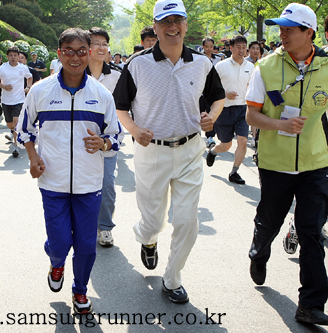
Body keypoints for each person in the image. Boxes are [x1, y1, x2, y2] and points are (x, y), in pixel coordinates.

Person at [113, 0, 225, 304]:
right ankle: (147, 239)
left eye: (177, 20)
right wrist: (135, 131)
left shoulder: (202, 63)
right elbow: (121, 107)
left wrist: (212, 116)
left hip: (190, 150)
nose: (172, 27)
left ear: (186, 25)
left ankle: (172, 278)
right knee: (153, 221)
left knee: (188, 221)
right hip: (152, 152)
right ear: (154, 26)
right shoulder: (137, 64)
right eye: (165, 21)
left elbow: (218, 98)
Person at [17, 27, 120, 315]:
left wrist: (103, 142)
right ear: (59, 53)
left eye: (81, 51)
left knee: (87, 244)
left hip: (89, 183)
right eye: (68, 51)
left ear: (89, 53)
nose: (75, 57)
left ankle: (80, 290)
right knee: (61, 241)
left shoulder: (102, 95)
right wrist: (33, 156)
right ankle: (57, 262)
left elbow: (117, 137)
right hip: (52, 181)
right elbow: (24, 130)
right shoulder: (40, 91)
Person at [246, 3, 328, 326]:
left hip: (315, 163)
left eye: (289, 29)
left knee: (311, 232)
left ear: (310, 33)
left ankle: (310, 303)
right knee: (270, 221)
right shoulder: (264, 67)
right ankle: (259, 249)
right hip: (274, 162)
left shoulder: (326, 66)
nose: (281, 35)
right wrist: (280, 125)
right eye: (279, 28)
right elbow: (251, 115)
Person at [86, 27, 123, 247]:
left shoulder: (117, 76)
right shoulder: (77, 74)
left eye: (104, 44)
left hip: (109, 142)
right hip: (83, 142)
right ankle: (84, 226)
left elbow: (127, 106)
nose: (101, 47)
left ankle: (105, 227)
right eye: (95, 43)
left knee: (107, 185)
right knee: (83, 187)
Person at [206, 35, 254, 184]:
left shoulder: (251, 67)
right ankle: (213, 151)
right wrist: (225, 94)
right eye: (238, 47)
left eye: (244, 47)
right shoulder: (221, 66)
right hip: (224, 109)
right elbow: (210, 88)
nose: (242, 50)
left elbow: (253, 87)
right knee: (226, 145)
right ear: (231, 48)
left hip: (242, 109)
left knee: (243, 141)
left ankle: (234, 172)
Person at [0, 46, 32, 158]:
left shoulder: (23, 68)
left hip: (19, 100)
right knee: (10, 125)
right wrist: (3, 86)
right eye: (11, 55)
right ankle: (18, 134)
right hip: (6, 101)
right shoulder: (2, 68)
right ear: (7, 56)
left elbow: (30, 77)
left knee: (16, 122)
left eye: (15, 55)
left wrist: (28, 87)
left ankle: (16, 146)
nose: (13, 57)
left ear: (18, 56)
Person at [200, 37, 221, 149]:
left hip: (212, 92)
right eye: (207, 46)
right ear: (203, 47)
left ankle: (210, 137)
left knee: (210, 113)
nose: (209, 49)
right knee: (198, 113)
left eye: (211, 46)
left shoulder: (218, 59)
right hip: (200, 92)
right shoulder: (198, 59)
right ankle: (197, 135)